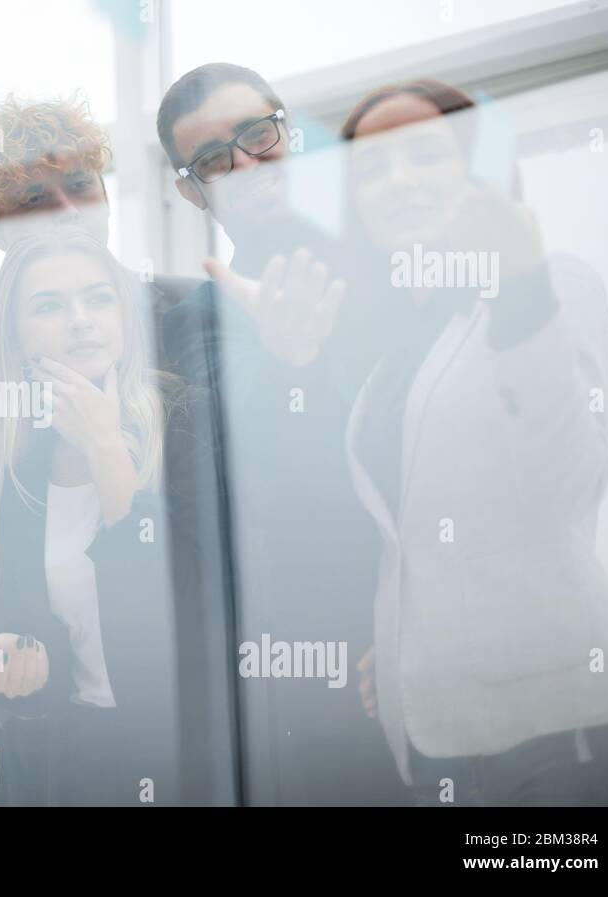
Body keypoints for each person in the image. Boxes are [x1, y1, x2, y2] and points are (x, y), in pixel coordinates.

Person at [340, 79, 608, 805]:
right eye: (372, 170)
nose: (398, 182)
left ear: (478, 173)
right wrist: (407, 641)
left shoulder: (550, 285)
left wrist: (520, 294)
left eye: (425, 157)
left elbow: (566, 481)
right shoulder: (390, 359)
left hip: (556, 733)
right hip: (437, 743)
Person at [155, 62, 402, 804]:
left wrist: (407, 625)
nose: (246, 166)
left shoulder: (401, 263)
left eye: (257, 136)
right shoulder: (189, 325)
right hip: (317, 685)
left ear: (286, 129)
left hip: (439, 639)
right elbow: (229, 491)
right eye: (212, 160)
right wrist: (281, 360)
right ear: (189, 189)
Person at [0, 227, 217, 805]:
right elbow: (21, 613)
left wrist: (105, 443)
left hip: (181, 754)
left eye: (98, 298)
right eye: (49, 306)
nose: (80, 319)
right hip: (65, 762)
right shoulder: (18, 462)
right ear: (16, 333)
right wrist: (3, 643)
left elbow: (185, 602)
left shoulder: (193, 421)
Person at [0, 95, 199, 378]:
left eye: (79, 186)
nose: (67, 211)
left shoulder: (195, 307)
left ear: (105, 197)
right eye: (35, 199)